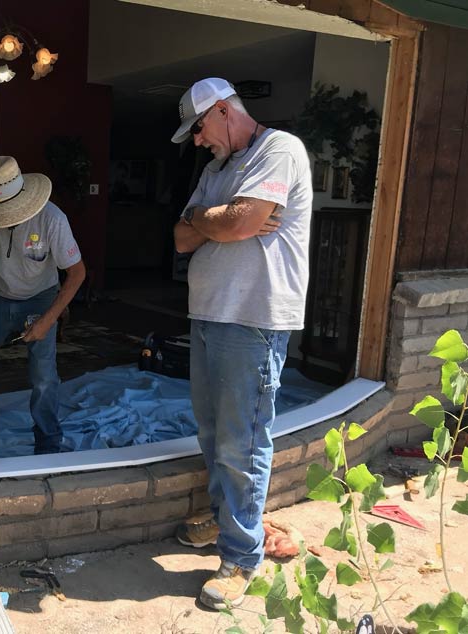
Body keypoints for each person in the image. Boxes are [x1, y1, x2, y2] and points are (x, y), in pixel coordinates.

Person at [170, 78, 313, 610]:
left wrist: (216, 219)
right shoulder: (216, 170)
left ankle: (241, 557)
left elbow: (247, 220)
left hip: (251, 317)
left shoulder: (279, 150)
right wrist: (214, 219)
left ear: (224, 111)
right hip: (209, 313)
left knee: (242, 440)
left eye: (200, 128)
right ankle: (227, 517)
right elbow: (183, 236)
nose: (199, 140)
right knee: (214, 432)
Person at [0, 156, 86, 455]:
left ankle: (48, 443)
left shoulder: (52, 219)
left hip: (41, 296)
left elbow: (77, 273)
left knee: (44, 377)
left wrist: (48, 320)